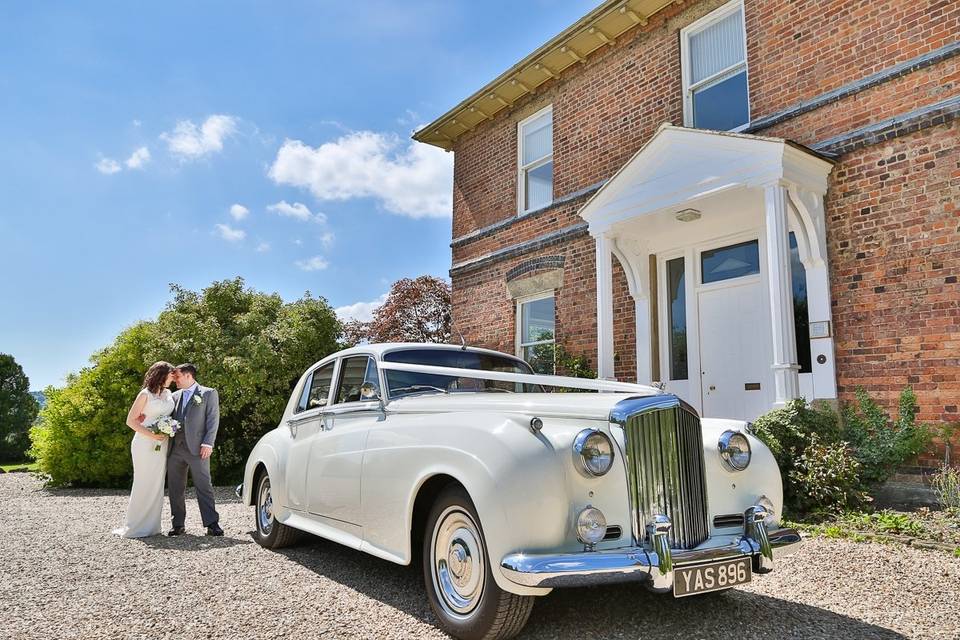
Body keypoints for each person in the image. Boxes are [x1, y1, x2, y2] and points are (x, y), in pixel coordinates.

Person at [113, 361, 175, 538]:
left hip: (162, 443)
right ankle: (136, 525)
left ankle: (152, 526)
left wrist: (167, 429)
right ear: (162, 375)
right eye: (171, 375)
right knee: (143, 481)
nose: (173, 378)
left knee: (157, 484)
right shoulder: (145, 394)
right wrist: (152, 435)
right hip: (144, 443)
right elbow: (131, 421)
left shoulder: (169, 393)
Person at [166, 363, 223, 536]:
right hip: (176, 448)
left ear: (188, 375)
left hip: (198, 448)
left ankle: (212, 524)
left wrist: (208, 443)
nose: (175, 380)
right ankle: (178, 524)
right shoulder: (174, 396)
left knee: (204, 485)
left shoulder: (208, 393)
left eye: (178, 377)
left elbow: (213, 419)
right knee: (175, 487)